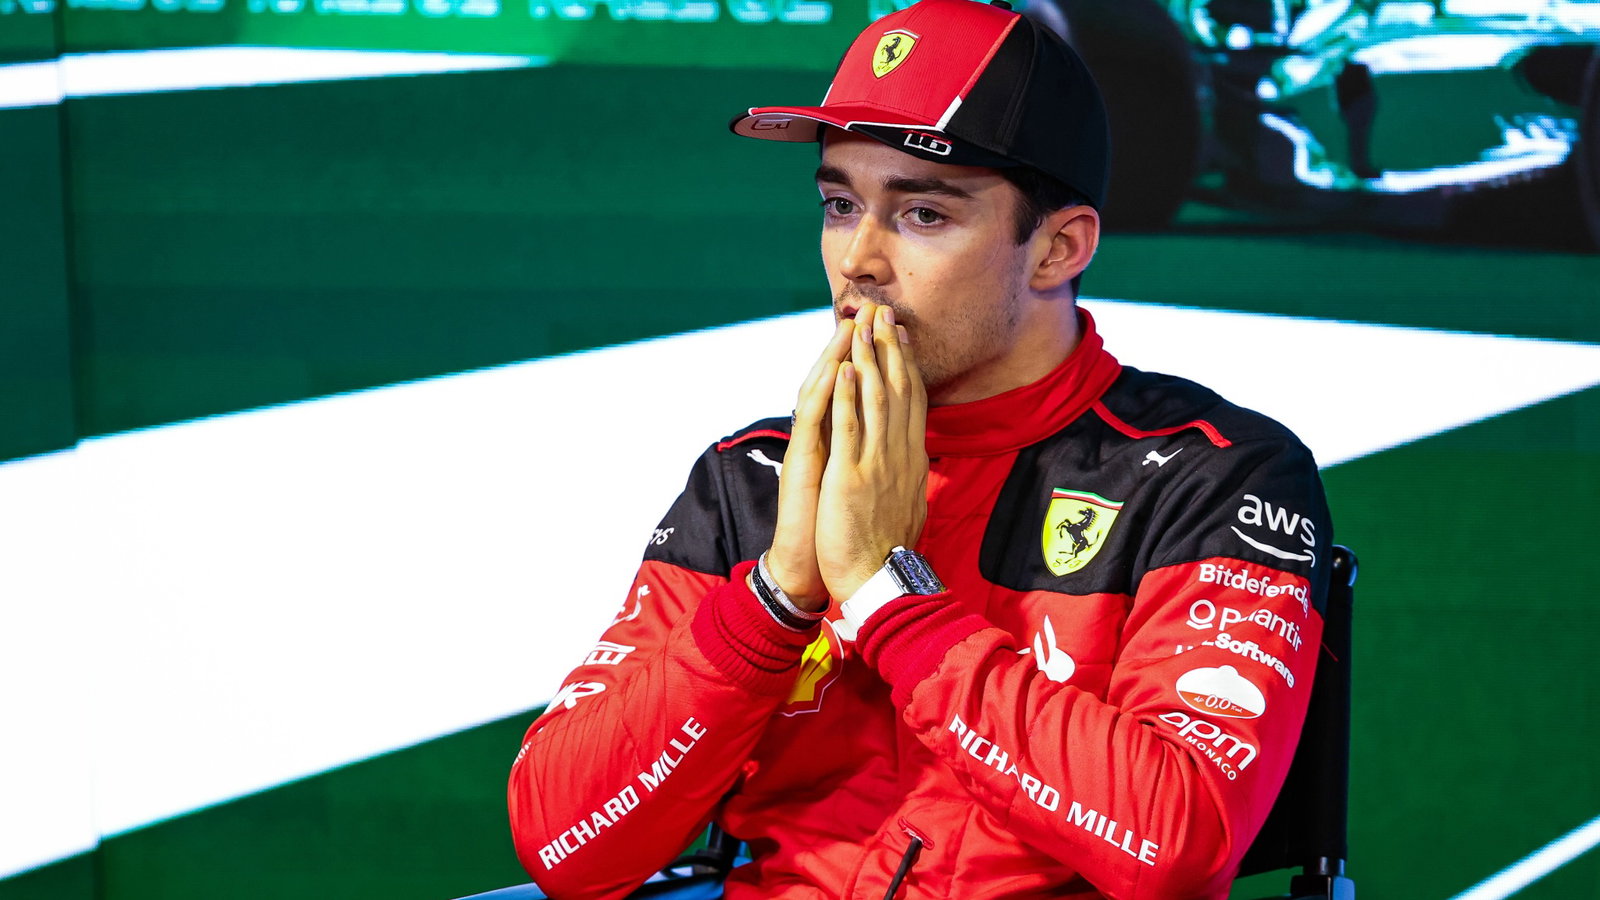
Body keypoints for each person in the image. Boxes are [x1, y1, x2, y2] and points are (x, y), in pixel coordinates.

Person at [507, 1, 1332, 897]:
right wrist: (779, 597)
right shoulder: (752, 480)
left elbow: (1177, 846)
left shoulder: (1218, 476)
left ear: (1058, 248)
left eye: (924, 214)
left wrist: (886, 598)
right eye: (838, 203)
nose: (857, 258)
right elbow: (566, 851)